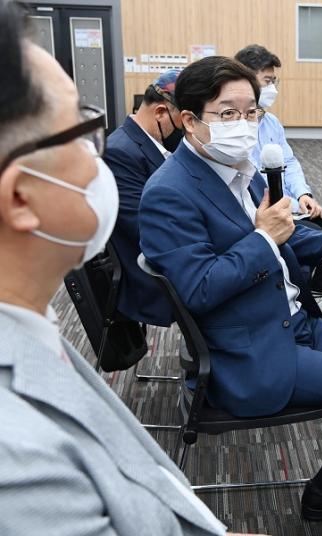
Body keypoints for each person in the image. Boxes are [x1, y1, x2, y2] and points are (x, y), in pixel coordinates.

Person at [138, 56, 322, 536]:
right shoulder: (169, 192)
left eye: (251, 112)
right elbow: (198, 289)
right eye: (228, 113)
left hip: (291, 322)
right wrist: (262, 238)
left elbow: (287, 234)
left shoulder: (240, 169)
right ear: (190, 120)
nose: (244, 124)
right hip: (246, 350)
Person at [0, 3, 263, 534]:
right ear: (21, 196)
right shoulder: (19, 464)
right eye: (81, 131)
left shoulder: (28, 331)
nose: (99, 157)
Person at [234, 44, 322, 322]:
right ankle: (298, 302)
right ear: (247, 80)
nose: (272, 88)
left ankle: (318, 294)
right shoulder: (237, 127)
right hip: (265, 211)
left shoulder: (272, 122)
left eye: (274, 81)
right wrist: (289, 206)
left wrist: (303, 195)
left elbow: (289, 162)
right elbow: (249, 180)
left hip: (291, 204)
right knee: (316, 232)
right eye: (267, 80)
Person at [104, 70, 183, 326]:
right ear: (160, 112)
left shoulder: (146, 144)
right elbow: (145, 228)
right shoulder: (119, 153)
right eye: (183, 122)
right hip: (151, 275)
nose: (185, 132)